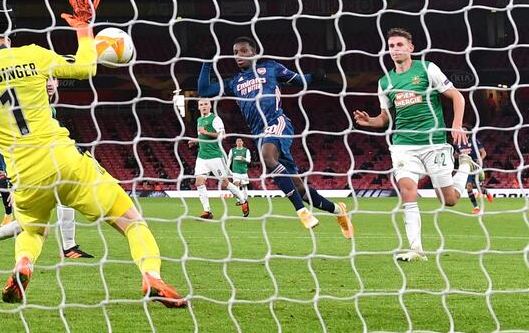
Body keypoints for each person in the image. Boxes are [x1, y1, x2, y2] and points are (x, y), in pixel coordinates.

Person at [0, 0, 185, 307]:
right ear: (10, 28)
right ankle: (152, 277)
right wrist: (83, 28)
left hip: (23, 174)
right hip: (63, 158)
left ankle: (24, 264)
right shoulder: (33, 54)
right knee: (132, 222)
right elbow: (85, 69)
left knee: (33, 232)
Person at [198, 37, 353, 238]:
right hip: (259, 134)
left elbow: (299, 80)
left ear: (253, 52)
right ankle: (339, 211)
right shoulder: (234, 82)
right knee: (299, 188)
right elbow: (204, 90)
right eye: (235, 51)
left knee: (266, 157)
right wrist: (207, 62)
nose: (239, 55)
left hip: (277, 123)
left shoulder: (270, 68)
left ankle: (302, 212)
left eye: (243, 51)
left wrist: (314, 76)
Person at [353, 28, 477, 262]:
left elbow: (457, 96)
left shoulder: (427, 69)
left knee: (448, 200)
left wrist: (457, 124)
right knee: (407, 190)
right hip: (403, 146)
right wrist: (370, 121)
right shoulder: (385, 82)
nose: (395, 49)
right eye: (391, 46)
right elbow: (384, 118)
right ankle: (416, 248)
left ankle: (465, 166)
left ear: (410, 48)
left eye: (400, 45)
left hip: (434, 144)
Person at [0, 77, 95, 259]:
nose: (50, 83)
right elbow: (16, 143)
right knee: (44, 215)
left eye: (53, 79)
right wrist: (15, 180)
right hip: (33, 169)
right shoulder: (33, 109)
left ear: (58, 83)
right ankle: (68, 247)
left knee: (34, 220)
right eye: (45, 79)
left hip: (44, 166)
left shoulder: (49, 108)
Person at [186, 99, 249, 219]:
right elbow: (203, 137)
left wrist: (206, 132)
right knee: (198, 182)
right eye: (201, 105)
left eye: (205, 104)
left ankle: (243, 199)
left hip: (215, 156)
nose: (203, 106)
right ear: (198, 107)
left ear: (210, 106)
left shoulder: (215, 119)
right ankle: (207, 211)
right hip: (202, 157)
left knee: (225, 184)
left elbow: (222, 135)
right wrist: (195, 141)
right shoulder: (199, 120)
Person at [454, 126, 493, 214]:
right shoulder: (457, 143)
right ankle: (476, 207)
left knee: (479, 188)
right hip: (466, 167)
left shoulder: (474, 141)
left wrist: (480, 159)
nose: (463, 132)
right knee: (469, 187)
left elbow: (484, 153)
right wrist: (455, 156)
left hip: (475, 166)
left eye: (464, 131)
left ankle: (486, 192)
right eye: (461, 131)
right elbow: (456, 154)